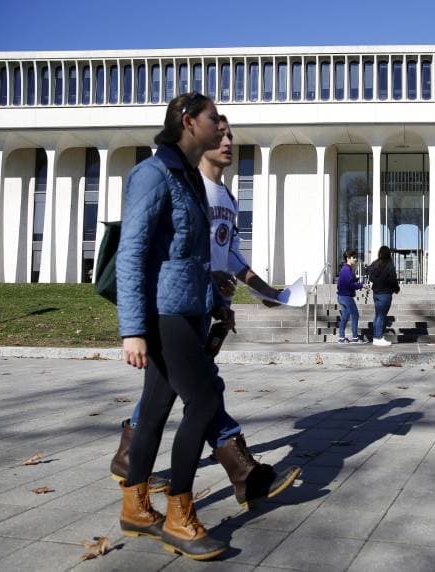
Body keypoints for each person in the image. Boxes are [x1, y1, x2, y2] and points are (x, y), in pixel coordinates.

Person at [110, 115, 300, 513]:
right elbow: (164, 254)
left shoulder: (226, 198)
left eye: (231, 134)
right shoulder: (184, 187)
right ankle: (239, 473)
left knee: (171, 389)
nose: (227, 140)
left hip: (206, 308)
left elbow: (228, 254)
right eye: (220, 132)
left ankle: (131, 455)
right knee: (202, 389)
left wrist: (264, 292)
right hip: (176, 306)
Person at [115, 92, 228, 560]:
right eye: (213, 119)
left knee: (158, 407)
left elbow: (192, 256)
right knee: (204, 401)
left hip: (187, 307)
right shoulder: (153, 174)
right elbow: (132, 252)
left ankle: (135, 506)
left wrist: (217, 300)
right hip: (163, 313)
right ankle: (180, 514)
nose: (221, 128)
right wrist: (132, 329)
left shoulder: (188, 178)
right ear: (188, 122)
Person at [366, 245, 400, 346]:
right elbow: (393, 278)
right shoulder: (389, 264)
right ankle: (378, 337)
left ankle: (377, 337)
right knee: (381, 315)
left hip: (376, 293)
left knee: (378, 315)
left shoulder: (376, 263)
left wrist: (374, 280)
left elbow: (368, 271)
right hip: (385, 293)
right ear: (388, 254)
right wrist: (396, 288)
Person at [336, 248, 367, 343]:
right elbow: (349, 285)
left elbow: (343, 283)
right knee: (355, 315)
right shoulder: (346, 270)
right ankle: (355, 338)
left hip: (342, 296)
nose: (355, 259)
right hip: (346, 297)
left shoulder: (345, 269)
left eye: (356, 257)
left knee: (345, 316)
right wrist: (361, 285)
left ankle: (341, 338)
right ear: (348, 258)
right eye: (354, 257)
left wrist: (357, 282)